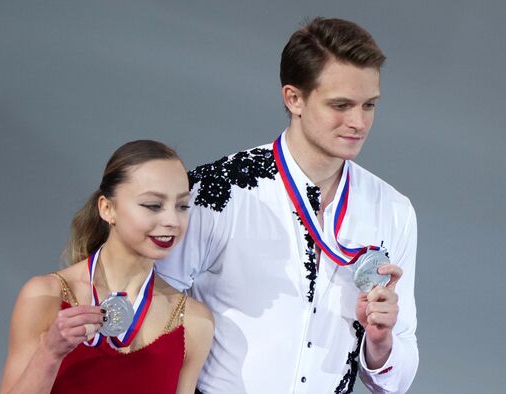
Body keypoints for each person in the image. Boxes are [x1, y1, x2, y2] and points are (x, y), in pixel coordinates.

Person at [156, 17, 418, 394]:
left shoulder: (393, 210)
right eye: (340, 105)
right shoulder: (219, 190)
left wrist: (380, 343)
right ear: (294, 98)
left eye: (369, 105)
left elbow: (395, 381)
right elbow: (153, 319)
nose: (358, 122)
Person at [0, 140, 214, 394]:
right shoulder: (46, 296)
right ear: (107, 208)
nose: (171, 220)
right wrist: (49, 352)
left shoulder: (194, 320)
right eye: (153, 205)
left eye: (182, 206)